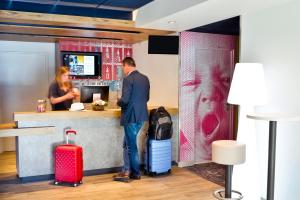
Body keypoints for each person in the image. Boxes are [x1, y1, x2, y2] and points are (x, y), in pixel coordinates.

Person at [113, 57, 150, 182]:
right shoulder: (145, 78)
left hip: (131, 116)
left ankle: (135, 173)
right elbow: (147, 98)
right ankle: (126, 169)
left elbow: (125, 100)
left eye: (123, 67)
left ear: (127, 65)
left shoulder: (128, 79)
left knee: (131, 146)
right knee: (128, 143)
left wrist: (118, 101)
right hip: (142, 116)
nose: (123, 69)